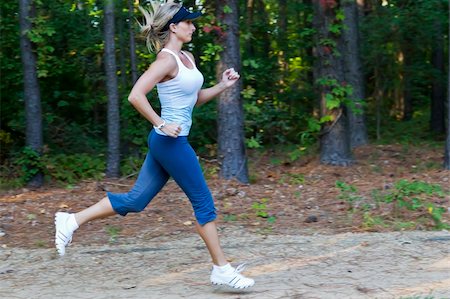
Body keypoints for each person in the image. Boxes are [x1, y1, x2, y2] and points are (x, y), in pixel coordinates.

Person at [54, 0, 255, 290]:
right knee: (204, 204)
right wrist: (160, 123)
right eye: (189, 22)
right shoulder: (166, 61)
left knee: (136, 200)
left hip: (169, 141)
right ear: (174, 27)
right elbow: (136, 95)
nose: (194, 26)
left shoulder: (187, 57)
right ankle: (221, 269)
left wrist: (222, 86)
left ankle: (71, 220)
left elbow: (193, 99)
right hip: (169, 142)